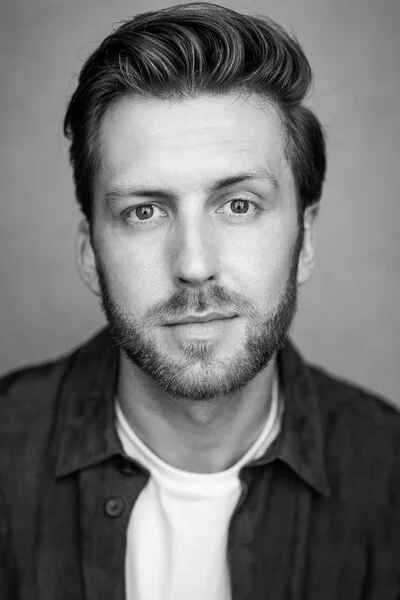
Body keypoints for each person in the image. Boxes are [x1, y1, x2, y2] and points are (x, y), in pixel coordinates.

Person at [1, 3, 399, 599]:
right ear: (89, 253)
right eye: (144, 211)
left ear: (306, 239)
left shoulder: (389, 474)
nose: (193, 265)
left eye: (239, 205)